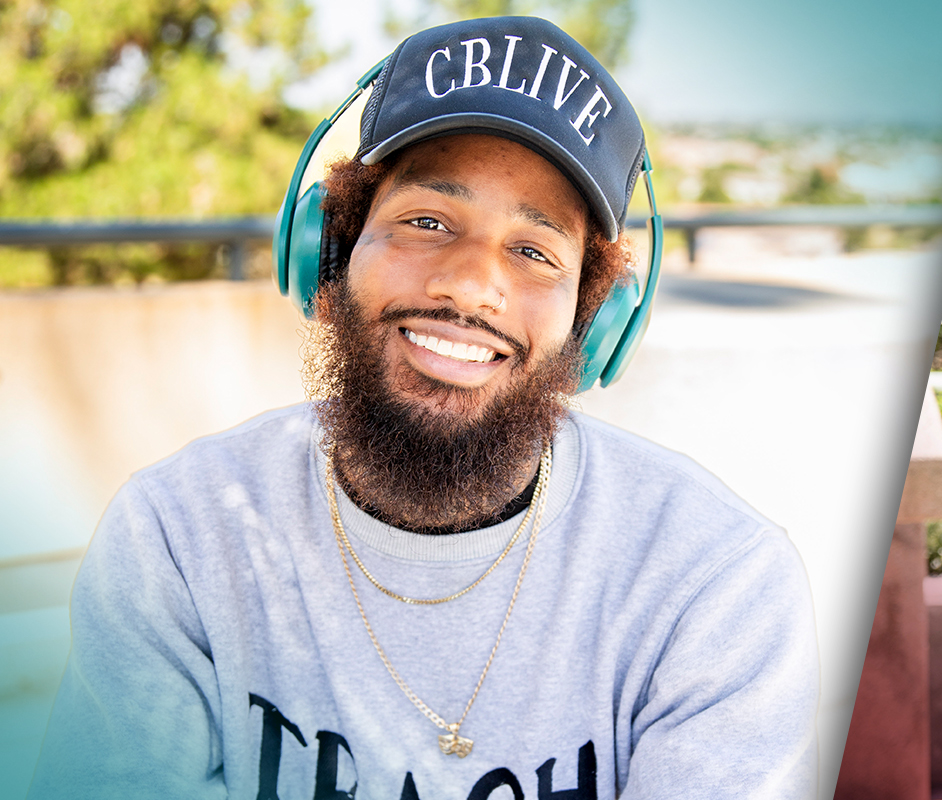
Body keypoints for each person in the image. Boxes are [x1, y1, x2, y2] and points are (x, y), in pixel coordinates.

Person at [30, 16, 814, 799]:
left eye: (534, 251)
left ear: (594, 323)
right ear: (327, 253)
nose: (470, 284)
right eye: (427, 222)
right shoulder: (178, 539)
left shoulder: (716, 586)